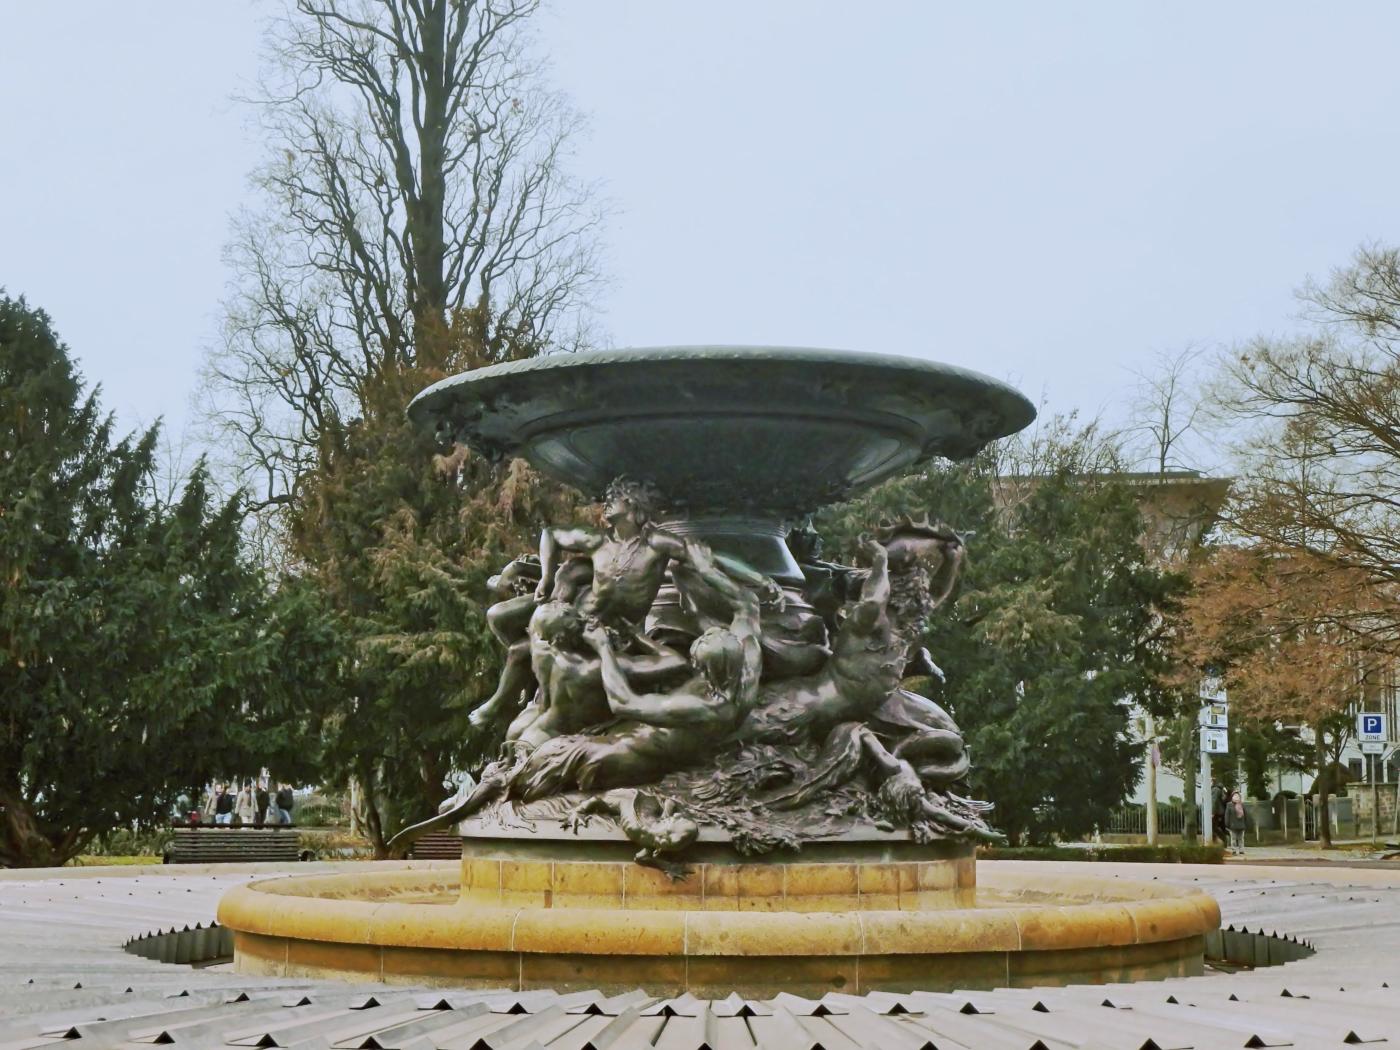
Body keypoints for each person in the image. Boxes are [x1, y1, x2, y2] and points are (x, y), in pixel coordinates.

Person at [1226, 790, 1249, 856]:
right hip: (1233, 825)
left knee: (1241, 838)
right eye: (1235, 795)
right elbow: (1227, 815)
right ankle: (1234, 850)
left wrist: (1246, 823)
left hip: (1241, 825)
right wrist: (1227, 824)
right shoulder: (1229, 805)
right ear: (1232, 797)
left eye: (1238, 796)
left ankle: (1241, 850)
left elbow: (1246, 814)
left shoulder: (1242, 804)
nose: (1236, 797)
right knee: (1233, 838)